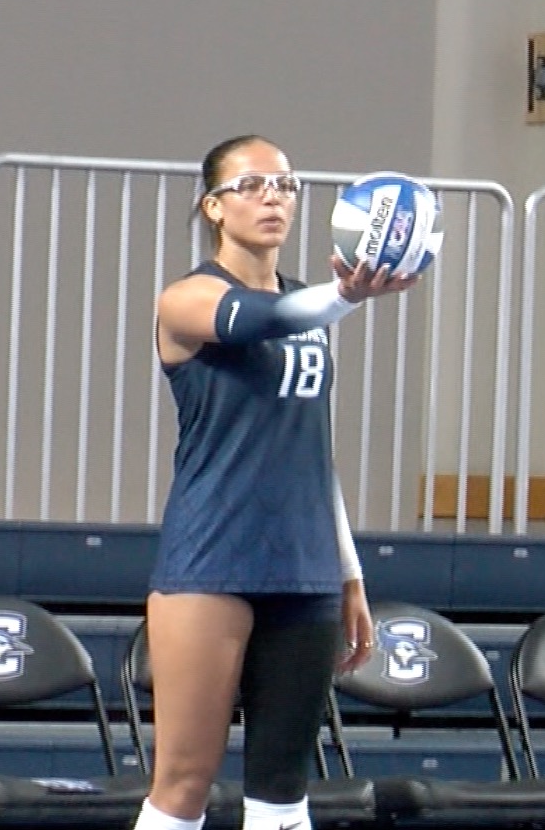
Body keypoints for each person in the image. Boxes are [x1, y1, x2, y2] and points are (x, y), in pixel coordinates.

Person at [136, 135, 417, 830]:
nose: (272, 197)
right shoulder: (188, 298)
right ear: (213, 206)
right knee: (183, 784)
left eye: (285, 185)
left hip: (305, 567)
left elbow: (315, 454)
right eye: (252, 185)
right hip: (213, 558)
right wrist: (348, 295)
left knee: (284, 791)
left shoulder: (310, 305)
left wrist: (347, 571)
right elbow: (262, 320)